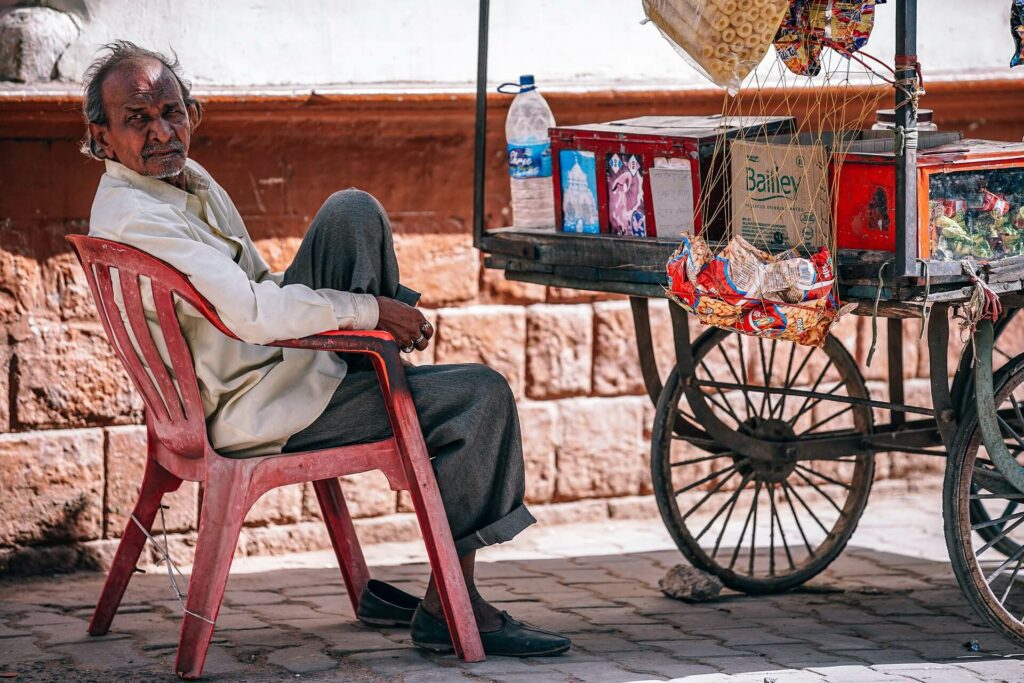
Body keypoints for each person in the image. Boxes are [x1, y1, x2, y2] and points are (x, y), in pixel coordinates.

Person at [81, 40, 569, 658]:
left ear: (193, 114)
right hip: (258, 407)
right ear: (102, 138)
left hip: (268, 370)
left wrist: (358, 314)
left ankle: (382, 375)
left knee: (351, 212)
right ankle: (455, 605)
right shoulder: (138, 214)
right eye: (138, 120)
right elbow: (255, 314)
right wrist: (370, 311)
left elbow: (259, 286)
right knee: (479, 396)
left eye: (171, 113)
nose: (160, 132)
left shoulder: (184, 181)